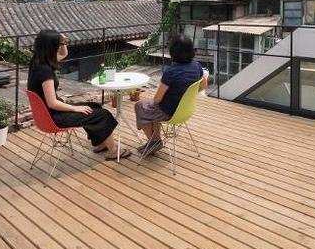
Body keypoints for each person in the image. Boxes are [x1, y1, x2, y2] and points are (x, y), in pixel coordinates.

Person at [27, 29, 130, 160]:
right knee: (102, 114)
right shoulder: (45, 71)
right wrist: (75, 108)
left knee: (94, 106)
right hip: (55, 117)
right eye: (58, 45)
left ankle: (101, 142)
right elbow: (52, 103)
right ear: (51, 47)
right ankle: (114, 151)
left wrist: (63, 41)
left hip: (48, 114)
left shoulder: (38, 61)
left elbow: (64, 54)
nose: (60, 48)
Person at [135, 34, 207, 157]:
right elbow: (203, 85)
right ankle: (155, 140)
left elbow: (157, 99)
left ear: (173, 52)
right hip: (186, 111)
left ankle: (155, 141)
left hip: (169, 112)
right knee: (150, 108)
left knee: (140, 105)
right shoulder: (197, 66)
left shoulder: (171, 71)